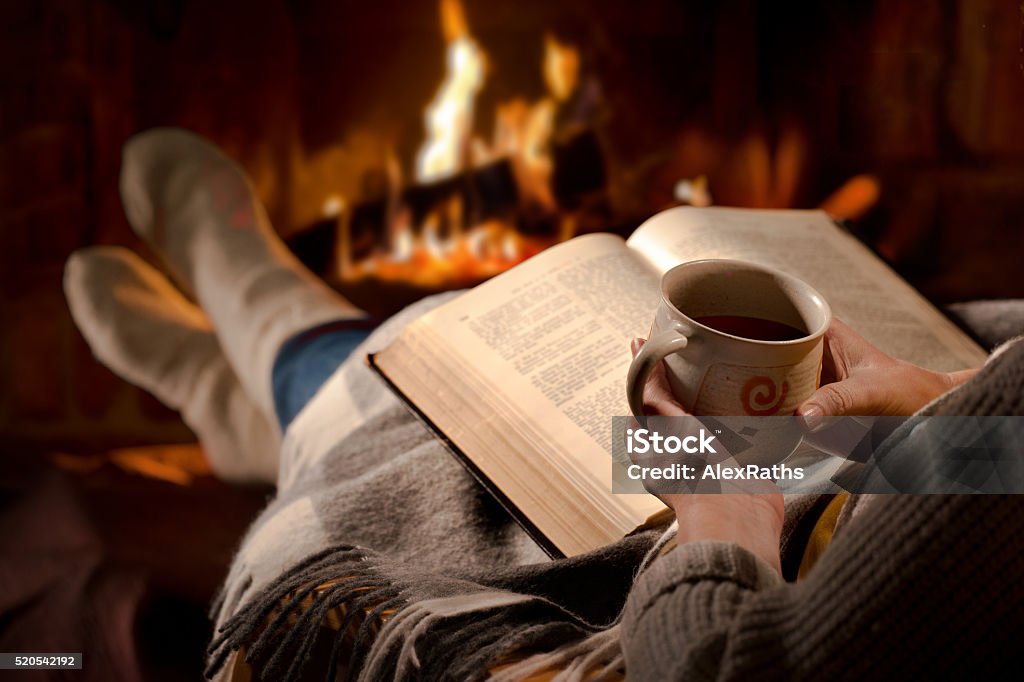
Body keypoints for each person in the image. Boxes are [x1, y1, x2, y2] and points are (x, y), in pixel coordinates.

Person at [65, 128, 1024, 681]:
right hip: (866, 467)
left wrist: (723, 512)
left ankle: (271, 334)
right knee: (457, 375)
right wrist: (958, 406)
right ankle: (267, 382)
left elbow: (720, 667)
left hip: (731, 555)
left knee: (437, 409)